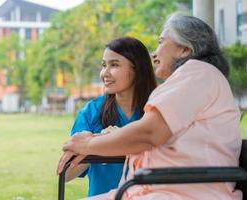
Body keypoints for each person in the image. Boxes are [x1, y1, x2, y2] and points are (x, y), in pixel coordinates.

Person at [59, 14, 243, 200]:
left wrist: (89, 144)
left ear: (184, 49)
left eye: (161, 42)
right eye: (103, 65)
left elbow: (149, 134)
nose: (154, 53)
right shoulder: (188, 82)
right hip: (153, 191)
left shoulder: (198, 74)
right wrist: (104, 138)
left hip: (176, 193)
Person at [57, 37, 157, 197]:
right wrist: (96, 144)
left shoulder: (157, 109)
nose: (105, 73)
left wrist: (117, 141)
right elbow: (66, 174)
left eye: (114, 65)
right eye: (104, 65)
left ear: (137, 69)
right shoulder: (91, 111)